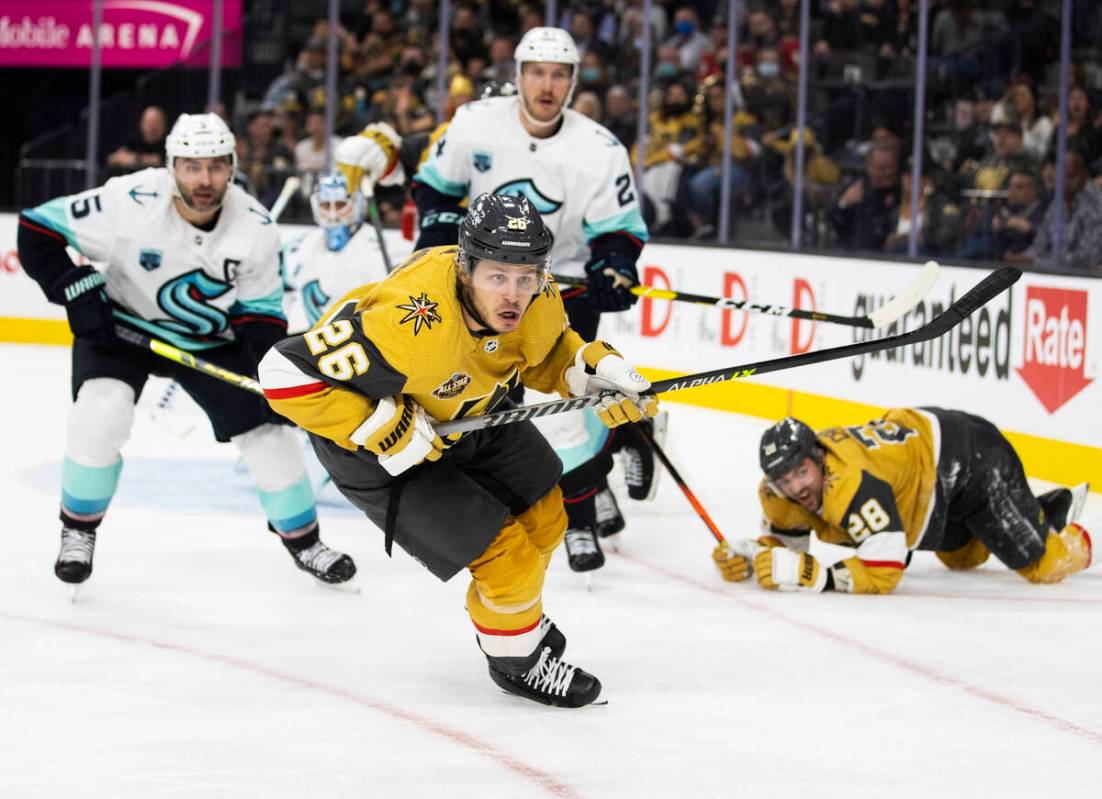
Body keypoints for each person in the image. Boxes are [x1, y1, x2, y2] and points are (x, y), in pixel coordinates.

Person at [257, 193, 659, 707]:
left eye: (525, 277)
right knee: (507, 562)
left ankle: (513, 619)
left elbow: (547, 351)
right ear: (466, 270)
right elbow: (283, 372)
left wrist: (593, 369)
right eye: (497, 277)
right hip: (380, 450)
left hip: (468, 410)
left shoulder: (535, 293)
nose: (513, 294)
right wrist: (381, 424)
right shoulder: (411, 325)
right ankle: (518, 663)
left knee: (547, 519)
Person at [16, 112, 356, 588]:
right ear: (172, 165)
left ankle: (305, 541)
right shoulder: (128, 199)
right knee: (101, 414)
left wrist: (263, 382)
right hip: (122, 329)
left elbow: (261, 320)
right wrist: (72, 286)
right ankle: (77, 532)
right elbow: (36, 230)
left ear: (233, 166)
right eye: (192, 167)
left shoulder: (255, 227)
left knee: (270, 439)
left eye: (216, 166)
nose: (204, 179)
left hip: (210, 342)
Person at [409, 26, 658, 573]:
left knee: (567, 410)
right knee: (517, 408)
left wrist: (613, 265)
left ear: (573, 81)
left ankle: (584, 516)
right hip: (485, 286)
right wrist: (440, 231)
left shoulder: (600, 148)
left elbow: (618, 229)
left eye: (559, 74)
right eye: (537, 72)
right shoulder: (475, 123)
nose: (547, 85)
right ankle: (617, 444)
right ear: (518, 75)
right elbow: (434, 187)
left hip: (560, 290)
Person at [712, 411, 1092, 594]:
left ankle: (1073, 534)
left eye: (802, 473)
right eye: (785, 479)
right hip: (932, 486)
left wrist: (820, 577)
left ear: (819, 457)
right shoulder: (779, 494)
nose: (797, 488)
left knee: (1044, 566)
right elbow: (787, 548)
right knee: (961, 557)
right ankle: (1040, 510)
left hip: (973, 461)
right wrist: (750, 558)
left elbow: (886, 569)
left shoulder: (851, 483)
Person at [281, 171, 387, 333]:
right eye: (325, 205)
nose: (332, 213)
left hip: (351, 339)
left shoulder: (378, 249)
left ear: (356, 203)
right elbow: (284, 294)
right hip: (299, 340)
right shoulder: (299, 246)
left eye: (340, 204)